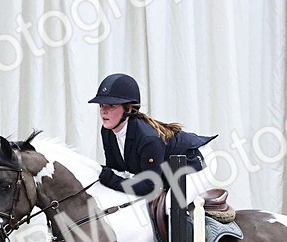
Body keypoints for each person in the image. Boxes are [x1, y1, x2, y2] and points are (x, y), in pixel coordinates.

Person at [88, 73, 216, 198]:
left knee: (171, 205)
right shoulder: (107, 131)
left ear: (129, 109)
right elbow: (116, 170)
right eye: (101, 105)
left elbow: (150, 186)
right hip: (167, 169)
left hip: (197, 161)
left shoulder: (148, 138)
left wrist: (111, 180)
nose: (104, 110)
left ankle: (191, 219)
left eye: (112, 105)